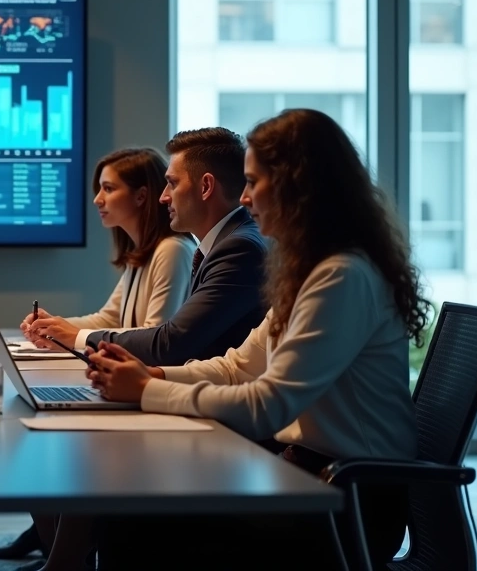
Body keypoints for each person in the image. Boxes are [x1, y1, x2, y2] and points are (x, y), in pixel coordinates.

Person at [47, 109, 427, 570]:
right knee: (127, 505)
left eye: (253, 182)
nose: (244, 198)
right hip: (306, 477)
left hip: (345, 501)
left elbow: (267, 405)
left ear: (295, 185)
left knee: (132, 518)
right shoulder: (309, 271)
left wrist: (147, 390)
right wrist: (153, 373)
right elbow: (236, 366)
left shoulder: (340, 277)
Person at [0, 147, 196, 562]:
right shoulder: (143, 253)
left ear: (141, 196)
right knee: (36, 431)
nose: (97, 200)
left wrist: (75, 334)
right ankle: (58, 548)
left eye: (107, 189)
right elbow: (110, 316)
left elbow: (155, 334)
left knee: (49, 439)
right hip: (129, 384)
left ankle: (64, 555)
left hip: (147, 388)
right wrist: (57, 327)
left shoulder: (172, 250)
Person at [27, 127, 268, 367]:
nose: (163, 197)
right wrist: (58, 329)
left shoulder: (237, 248)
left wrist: (76, 337)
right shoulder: (223, 244)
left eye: (172, 183)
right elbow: (117, 319)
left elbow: (169, 342)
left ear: (205, 187)